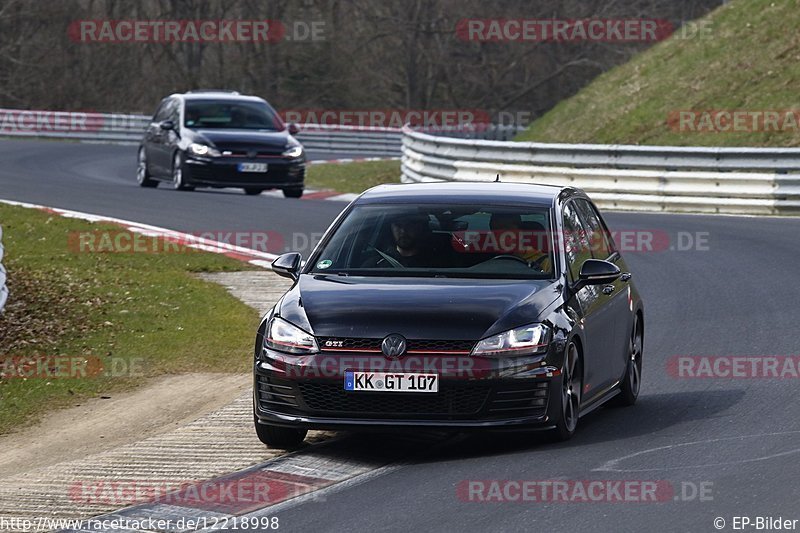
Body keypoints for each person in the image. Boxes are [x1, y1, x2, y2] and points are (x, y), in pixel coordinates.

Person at [363, 213, 438, 268]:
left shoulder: (437, 264)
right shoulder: (375, 265)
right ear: (391, 229)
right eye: (398, 225)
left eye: (409, 225)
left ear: (419, 228)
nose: (403, 231)